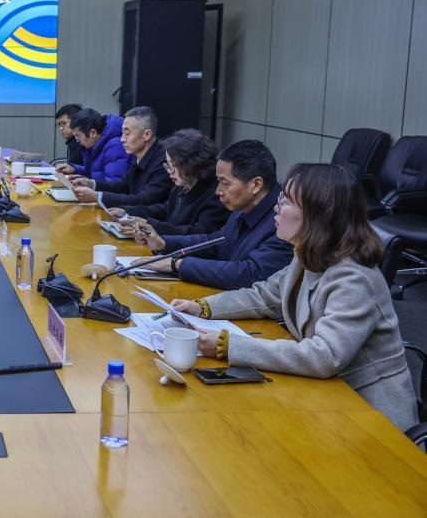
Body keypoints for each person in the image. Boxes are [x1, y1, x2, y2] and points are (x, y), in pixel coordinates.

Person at [170, 163, 418, 432]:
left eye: (286, 201)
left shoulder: (353, 276)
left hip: (369, 414)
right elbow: (265, 295)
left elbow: (325, 355)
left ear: (318, 214)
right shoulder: (310, 254)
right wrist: (201, 307)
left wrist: (227, 346)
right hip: (324, 395)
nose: (276, 209)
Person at [133, 139, 293, 289]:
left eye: (225, 183)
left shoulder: (283, 220)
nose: (218, 191)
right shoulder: (246, 204)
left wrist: (178, 264)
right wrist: (164, 243)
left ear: (256, 184)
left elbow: (251, 274)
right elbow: (217, 242)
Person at [109, 128, 228, 236]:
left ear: (192, 164)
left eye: (173, 165)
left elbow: (197, 234)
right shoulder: (184, 183)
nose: (169, 171)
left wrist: (150, 226)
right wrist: (127, 212)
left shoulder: (215, 195)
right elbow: (165, 209)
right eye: (168, 164)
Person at [71, 106, 171, 208]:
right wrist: (92, 184)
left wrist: (97, 196)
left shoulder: (164, 163)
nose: (122, 139)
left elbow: (144, 200)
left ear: (147, 135)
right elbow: (122, 187)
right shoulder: (140, 157)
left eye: (127, 133)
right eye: (122, 132)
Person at [57, 108, 130, 182]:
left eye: (77, 136)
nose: (77, 140)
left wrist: (91, 184)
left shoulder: (115, 147)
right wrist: (74, 169)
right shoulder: (96, 143)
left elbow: (114, 183)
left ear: (93, 133)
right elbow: (96, 171)